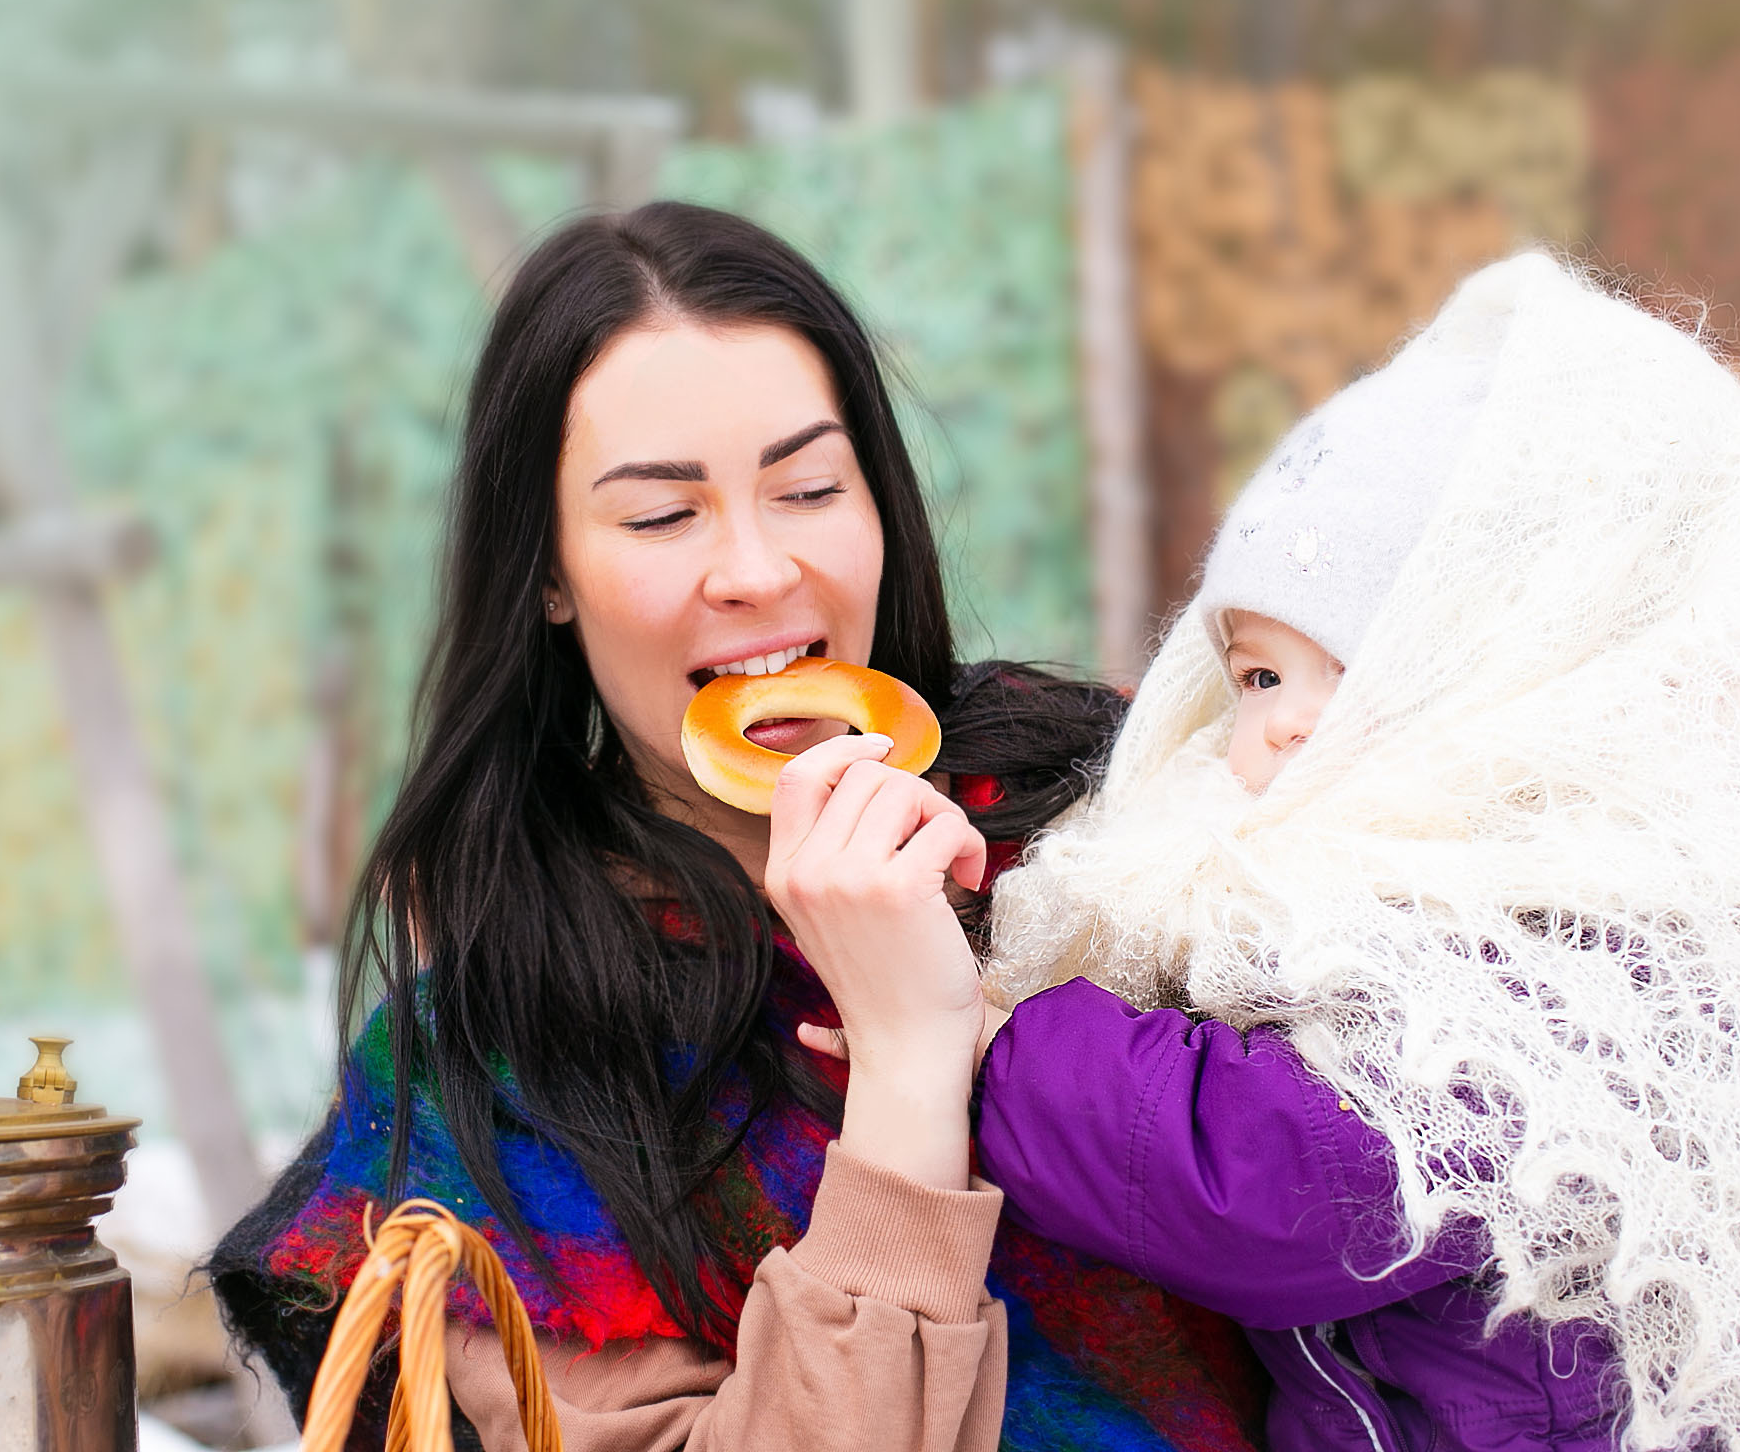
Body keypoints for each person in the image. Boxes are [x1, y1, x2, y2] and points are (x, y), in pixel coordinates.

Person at [815, 252, 1740, 1450]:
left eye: (1364, 674)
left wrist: (988, 1054)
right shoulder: (1379, 889)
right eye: (1259, 676)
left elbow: (1285, 1180)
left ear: (1540, 678)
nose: (1289, 722)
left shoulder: (1581, 943)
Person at [206, 200, 1269, 1451]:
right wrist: (910, 1067)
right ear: (547, 573)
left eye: (809, 487)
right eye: (663, 516)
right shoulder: (496, 1076)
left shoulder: (1133, 811)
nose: (758, 572)